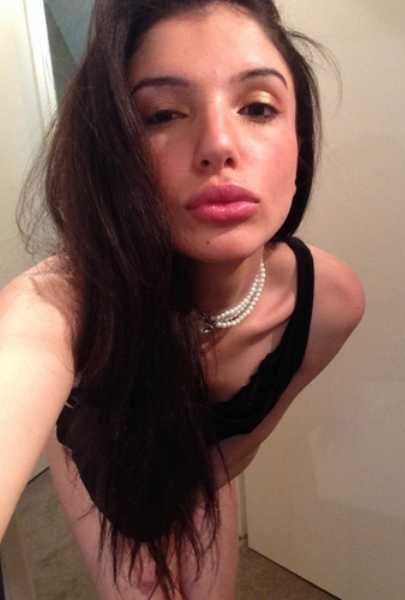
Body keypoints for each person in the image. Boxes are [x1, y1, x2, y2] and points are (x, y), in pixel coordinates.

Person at [0, 0, 366, 598]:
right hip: (94, 463)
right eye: (163, 114)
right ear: (115, 156)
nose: (218, 145)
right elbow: (18, 357)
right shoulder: (61, 306)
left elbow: (231, 452)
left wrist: (180, 523)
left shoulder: (330, 303)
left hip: (195, 466)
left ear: (299, 146)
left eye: (257, 107)